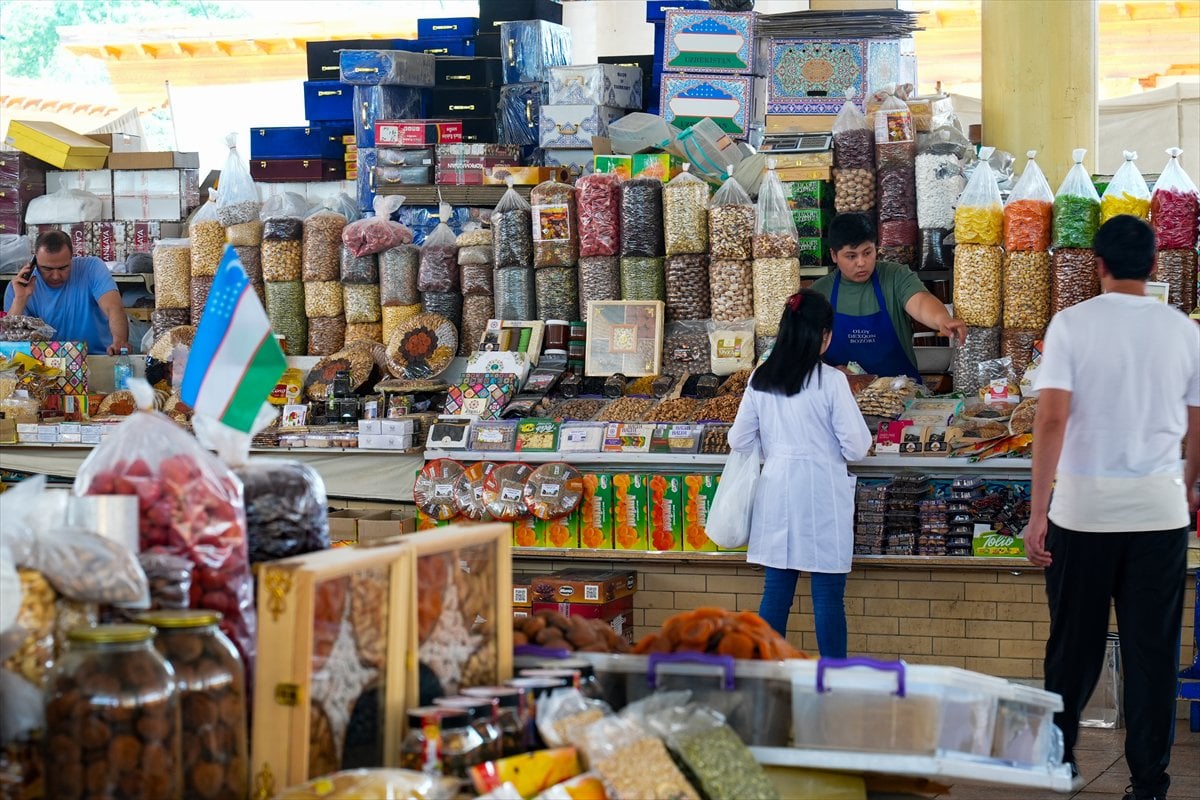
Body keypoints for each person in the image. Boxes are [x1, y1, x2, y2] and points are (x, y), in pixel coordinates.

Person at [1024, 215, 1199, 800]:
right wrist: (1187, 486)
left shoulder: (1071, 324)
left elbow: (1050, 419)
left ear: (1097, 264)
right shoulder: (1183, 330)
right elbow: (1198, 425)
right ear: (1153, 266)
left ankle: (1061, 759)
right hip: (1159, 515)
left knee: (1073, 646)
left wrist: (1037, 511)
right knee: (1153, 655)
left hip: (1083, 515)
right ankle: (1149, 783)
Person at [728, 289, 873, 656]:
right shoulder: (831, 382)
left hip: (777, 492)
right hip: (822, 495)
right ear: (823, 335)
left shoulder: (761, 378)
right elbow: (857, 447)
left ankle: (765, 671)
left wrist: (776, 449)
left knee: (776, 594)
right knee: (827, 600)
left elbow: (739, 438)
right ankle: (833, 679)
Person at [812, 212, 966, 380]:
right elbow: (802, 351)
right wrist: (828, 371)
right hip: (843, 398)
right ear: (834, 255)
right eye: (851, 256)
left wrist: (942, 319)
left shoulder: (895, 276)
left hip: (901, 394)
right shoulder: (819, 293)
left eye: (867, 252)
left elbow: (920, 302)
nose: (861, 262)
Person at [3, 230, 130, 355]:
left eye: (63, 268)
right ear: (34, 261)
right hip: (45, 367)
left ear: (72, 257)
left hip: (96, 358)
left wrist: (119, 342)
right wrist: (20, 299)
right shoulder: (17, 289)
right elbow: (9, 347)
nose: (56, 276)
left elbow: (114, 308)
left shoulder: (92, 268)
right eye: (47, 269)